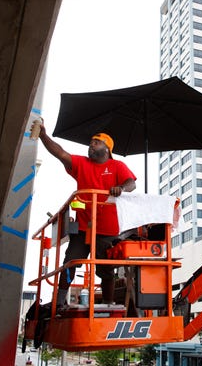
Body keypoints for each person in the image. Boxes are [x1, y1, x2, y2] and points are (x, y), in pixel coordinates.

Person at [36, 122, 136, 306]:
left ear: (107, 149)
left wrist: (121, 188)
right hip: (83, 227)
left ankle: (108, 304)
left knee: (106, 269)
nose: (91, 144)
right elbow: (60, 153)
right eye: (91, 142)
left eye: (96, 142)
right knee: (70, 261)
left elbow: (131, 183)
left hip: (107, 229)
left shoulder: (117, 165)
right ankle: (57, 302)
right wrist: (43, 135)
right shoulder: (81, 163)